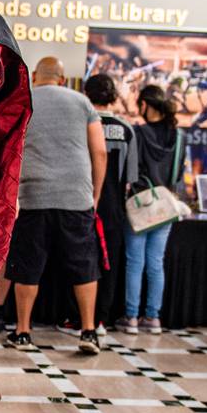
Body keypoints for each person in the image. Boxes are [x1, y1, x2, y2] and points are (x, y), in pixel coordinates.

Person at [0, 57, 106, 354]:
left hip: (33, 195)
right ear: (62, 78)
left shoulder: (25, 99)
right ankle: (88, 331)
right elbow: (99, 152)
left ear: (34, 76)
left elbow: (10, 148)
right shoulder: (83, 102)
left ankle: (22, 332)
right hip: (76, 196)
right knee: (84, 265)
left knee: (28, 267)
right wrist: (94, 196)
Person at [120, 83, 185, 335]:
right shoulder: (179, 137)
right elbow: (179, 173)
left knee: (134, 262)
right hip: (166, 205)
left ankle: (131, 317)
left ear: (144, 105)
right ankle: (153, 317)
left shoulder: (138, 133)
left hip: (139, 204)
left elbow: (132, 170)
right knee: (156, 263)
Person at [82, 73, 135, 330]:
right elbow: (131, 176)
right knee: (110, 262)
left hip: (83, 200)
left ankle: (80, 319)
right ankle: (103, 317)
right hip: (114, 205)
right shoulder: (126, 129)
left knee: (81, 260)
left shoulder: (82, 123)